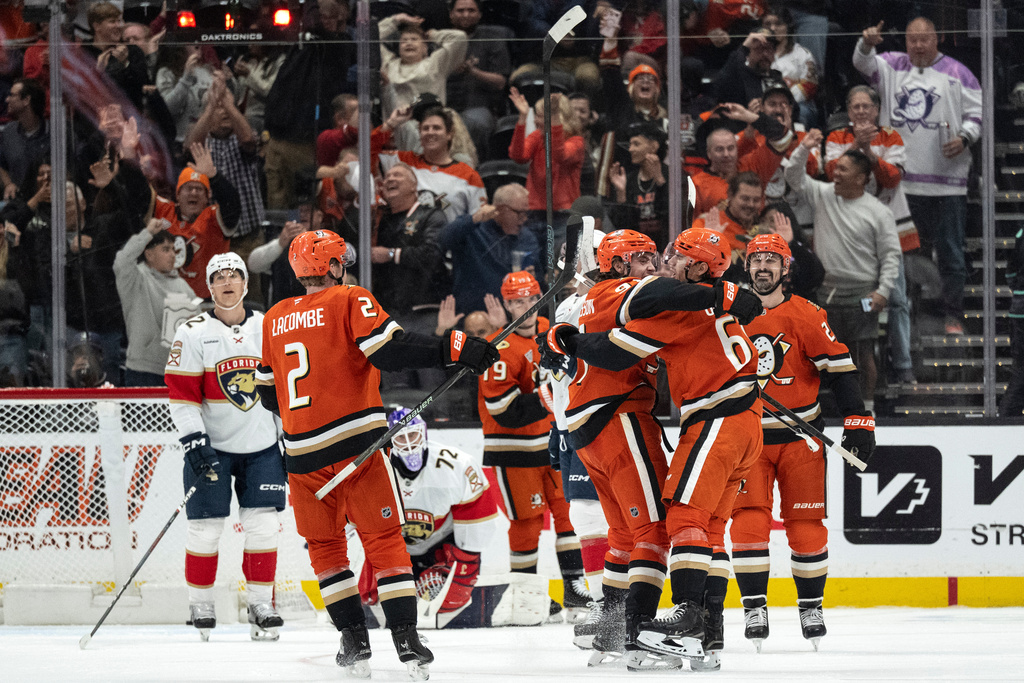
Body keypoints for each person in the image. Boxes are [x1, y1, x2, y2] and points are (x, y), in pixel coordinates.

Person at [254, 229, 498, 678]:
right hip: (356, 447)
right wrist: (456, 345)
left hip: (302, 459)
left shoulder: (272, 318)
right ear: (331, 266)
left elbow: (268, 397)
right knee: (384, 541)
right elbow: (390, 351)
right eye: (339, 260)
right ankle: (406, 640)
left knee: (326, 551)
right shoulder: (349, 298)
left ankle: (353, 642)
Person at [539, 227, 764, 671]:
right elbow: (623, 345)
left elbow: (622, 343)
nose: (657, 264)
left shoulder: (635, 301)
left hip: (605, 425)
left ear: (696, 265)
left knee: (664, 525)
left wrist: (565, 343)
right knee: (684, 526)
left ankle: (651, 625)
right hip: (639, 417)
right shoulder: (659, 295)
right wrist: (724, 293)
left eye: (666, 255)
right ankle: (678, 628)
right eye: (646, 256)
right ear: (618, 265)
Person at [731, 233, 876, 652]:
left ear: (785, 268)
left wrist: (858, 422)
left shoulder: (808, 314)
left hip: (801, 439)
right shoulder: (729, 315)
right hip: (748, 438)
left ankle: (810, 606)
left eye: (771, 260)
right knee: (750, 521)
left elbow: (842, 371)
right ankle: (754, 606)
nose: (762, 267)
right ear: (747, 266)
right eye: (756, 259)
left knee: (807, 527)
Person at [164, 253, 286, 641]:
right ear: (209, 286)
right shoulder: (192, 331)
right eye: (219, 277)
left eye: (235, 275)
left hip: (262, 446)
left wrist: (290, 437)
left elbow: (284, 390)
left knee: (264, 527)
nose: (228, 281)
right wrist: (194, 441)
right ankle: (200, 603)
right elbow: (182, 397)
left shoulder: (269, 327)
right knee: (205, 530)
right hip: (212, 447)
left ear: (246, 283)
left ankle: (260, 603)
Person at [855, 16, 982, 335]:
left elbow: (977, 115)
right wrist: (866, 43)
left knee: (951, 252)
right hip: (901, 183)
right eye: (913, 39)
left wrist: (965, 137)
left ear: (937, 38)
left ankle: (952, 314)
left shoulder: (958, 72)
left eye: (924, 39)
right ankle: (907, 314)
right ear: (906, 41)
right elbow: (861, 63)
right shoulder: (892, 65)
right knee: (903, 254)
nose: (919, 45)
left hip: (947, 183)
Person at [477, 270, 588, 618]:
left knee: (568, 517)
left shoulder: (555, 333)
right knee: (526, 523)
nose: (525, 307)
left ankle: (574, 590)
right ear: (507, 305)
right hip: (514, 449)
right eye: (516, 301)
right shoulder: (499, 347)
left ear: (540, 298)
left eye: (530, 299)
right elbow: (504, 412)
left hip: (556, 443)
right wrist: (545, 393)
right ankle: (527, 596)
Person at [786, 129, 902, 410]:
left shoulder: (879, 211)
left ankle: (867, 409)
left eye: (843, 170)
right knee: (816, 354)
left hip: (863, 293)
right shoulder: (824, 194)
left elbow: (891, 255)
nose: (835, 174)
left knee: (863, 354)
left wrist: (883, 291)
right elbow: (793, 177)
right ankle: (810, 407)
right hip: (825, 292)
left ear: (862, 178)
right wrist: (804, 148)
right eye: (836, 168)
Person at [359, 408, 498, 622]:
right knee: (367, 592)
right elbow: (353, 528)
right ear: (390, 441)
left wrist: (466, 562)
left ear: (424, 432)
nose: (408, 443)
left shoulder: (457, 465)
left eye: (412, 435)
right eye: (400, 438)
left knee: (449, 592)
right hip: (393, 550)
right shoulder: (372, 471)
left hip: (439, 546)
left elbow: (476, 524)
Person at [825, 84, 917, 384]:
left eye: (867, 106)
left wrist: (866, 151)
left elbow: (892, 179)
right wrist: (858, 148)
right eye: (856, 107)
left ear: (877, 110)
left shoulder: (891, 136)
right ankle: (847, 367)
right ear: (849, 112)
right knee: (861, 302)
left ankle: (903, 366)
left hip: (891, 227)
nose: (862, 111)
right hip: (852, 235)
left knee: (898, 299)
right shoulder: (837, 137)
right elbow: (831, 173)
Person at [185, 75, 266, 303]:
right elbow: (191, 146)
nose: (223, 112)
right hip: (214, 237)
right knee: (216, 297)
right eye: (218, 110)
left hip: (248, 235)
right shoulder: (204, 144)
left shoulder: (241, 138)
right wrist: (212, 105)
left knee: (251, 297)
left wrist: (229, 105)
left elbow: (249, 140)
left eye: (227, 109)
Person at [149, 143, 242, 299]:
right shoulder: (163, 211)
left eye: (199, 189)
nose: (193, 193)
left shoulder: (213, 218)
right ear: (177, 195)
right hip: (165, 301)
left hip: (206, 304)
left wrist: (214, 177)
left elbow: (232, 204)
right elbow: (140, 196)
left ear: (207, 197)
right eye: (188, 188)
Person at [113, 218, 199, 387]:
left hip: (176, 372)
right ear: (149, 254)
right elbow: (121, 261)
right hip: (141, 372)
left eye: (174, 250)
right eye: (166, 249)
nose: (173, 255)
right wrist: (148, 233)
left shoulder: (183, 286)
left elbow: (198, 326)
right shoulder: (135, 279)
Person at [366, 105, 487, 222]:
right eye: (425, 128)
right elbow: (366, 151)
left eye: (437, 128)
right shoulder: (402, 160)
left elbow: (479, 221)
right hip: (405, 240)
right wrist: (391, 123)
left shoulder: (469, 176)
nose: (430, 132)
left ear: (449, 134)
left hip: (448, 241)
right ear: (419, 133)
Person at [440, 183, 542, 316]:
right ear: (501, 209)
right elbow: (443, 239)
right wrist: (473, 219)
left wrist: (533, 277)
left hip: (512, 317)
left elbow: (540, 278)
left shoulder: (527, 238)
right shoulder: (472, 230)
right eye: (519, 213)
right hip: (474, 316)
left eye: (526, 213)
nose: (524, 219)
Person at [507, 88, 584, 245]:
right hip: (534, 214)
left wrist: (553, 116)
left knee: (559, 266)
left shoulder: (577, 142)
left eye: (541, 116)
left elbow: (559, 154)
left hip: (563, 216)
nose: (536, 120)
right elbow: (518, 156)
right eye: (536, 115)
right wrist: (522, 117)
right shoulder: (537, 137)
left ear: (557, 117)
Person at [445, 0, 513, 161]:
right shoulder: (441, 40)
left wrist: (473, 71)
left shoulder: (493, 39)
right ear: (451, 14)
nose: (466, 15)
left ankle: (476, 169)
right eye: (460, 11)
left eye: (471, 10)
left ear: (480, 14)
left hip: (479, 105)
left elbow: (500, 82)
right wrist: (449, 69)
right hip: (445, 103)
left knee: (476, 123)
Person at [378, 11, 468, 116]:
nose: (409, 43)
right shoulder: (389, 64)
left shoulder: (436, 63)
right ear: (398, 48)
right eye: (404, 41)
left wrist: (432, 35)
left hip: (430, 124)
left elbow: (459, 37)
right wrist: (396, 19)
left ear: (425, 48)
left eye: (414, 39)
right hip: (396, 125)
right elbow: (369, 37)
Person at [607, 123, 670, 251]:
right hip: (637, 251)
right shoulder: (629, 180)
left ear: (654, 146)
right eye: (630, 145)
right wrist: (621, 192)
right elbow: (622, 226)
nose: (630, 149)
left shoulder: (672, 176)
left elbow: (674, 215)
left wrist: (660, 181)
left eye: (636, 144)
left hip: (667, 248)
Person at [762, 6, 819, 127]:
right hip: (764, 102)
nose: (773, 28)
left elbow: (810, 85)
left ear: (788, 27)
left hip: (798, 104)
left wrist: (784, 101)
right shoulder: (757, 55)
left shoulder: (802, 54)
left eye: (778, 24)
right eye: (768, 24)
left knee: (802, 112)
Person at [692, 171, 764, 261]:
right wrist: (711, 243)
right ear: (730, 195)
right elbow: (692, 265)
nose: (751, 204)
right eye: (745, 199)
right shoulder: (706, 224)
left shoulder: (764, 229)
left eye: (756, 200)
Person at [0, 79, 50, 200]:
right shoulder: (8, 132)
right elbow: (1, 164)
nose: (7, 99)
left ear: (26, 100)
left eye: (12, 95)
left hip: (47, 204)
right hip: (17, 204)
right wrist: (8, 184)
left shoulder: (53, 134)